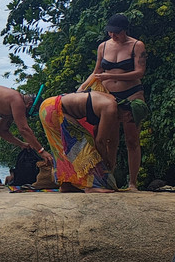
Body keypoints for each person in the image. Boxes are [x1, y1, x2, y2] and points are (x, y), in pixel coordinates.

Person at [79, 13, 147, 190]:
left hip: (132, 93)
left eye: (116, 33)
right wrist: (81, 88)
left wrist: (110, 75)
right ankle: (110, 180)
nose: (113, 36)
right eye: (110, 32)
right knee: (110, 139)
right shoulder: (103, 46)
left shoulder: (136, 45)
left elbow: (140, 72)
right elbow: (97, 71)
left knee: (132, 139)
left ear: (125, 30)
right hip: (108, 95)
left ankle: (133, 182)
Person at [38, 91, 119, 192]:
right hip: (55, 108)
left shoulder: (111, 101)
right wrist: (105, 162)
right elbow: (100, 141)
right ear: (129, 114)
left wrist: (108, 162)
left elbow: (98, 132)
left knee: (62, 148)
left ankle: (66, 184)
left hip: (47, 106)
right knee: (83, 146)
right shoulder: (111, 108)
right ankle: (91, 185)